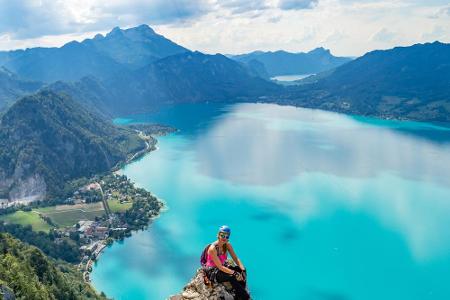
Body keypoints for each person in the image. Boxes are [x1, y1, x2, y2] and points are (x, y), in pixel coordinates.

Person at [203, 225, 250, 300]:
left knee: (241, 270)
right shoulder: (212, 249)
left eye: (227, 236)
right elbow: (220, 267)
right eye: (222, 235)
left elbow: (235, 258)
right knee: (232, 276)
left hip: (222, 266)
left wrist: (243, 270)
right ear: (218, 235)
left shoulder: (227, 245)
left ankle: (240, 292)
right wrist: (234, 273)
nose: (224, 238)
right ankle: (243, 296)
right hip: (213, 271)